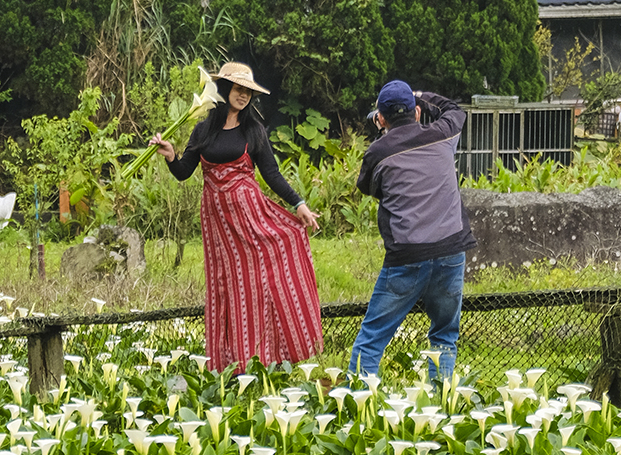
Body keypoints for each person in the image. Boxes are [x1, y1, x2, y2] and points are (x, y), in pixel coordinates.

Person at [151, 62, 322, 371]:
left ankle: (266, 357)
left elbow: (271, 174)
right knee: (226, 286)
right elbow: (183, 172)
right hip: (218, 225)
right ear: (226, 90)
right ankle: (232, 364)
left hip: (251, 218)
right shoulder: (203, 129)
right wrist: (171, 154)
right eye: (238, 89)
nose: (243, 95)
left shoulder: (252, 129)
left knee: (256, 284)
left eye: (248, 92)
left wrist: (299, 204)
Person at [348, 77, 470, 384]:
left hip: (407, 256)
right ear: (417, 112)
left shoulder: (378, 152)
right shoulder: (443, 133)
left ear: (380, 119)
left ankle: (358, 408)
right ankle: (441, 408)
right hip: (451, 251)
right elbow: (454, 109)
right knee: (444, 336)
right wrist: (420, 95)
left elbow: (368, 187)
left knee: (373, 337)